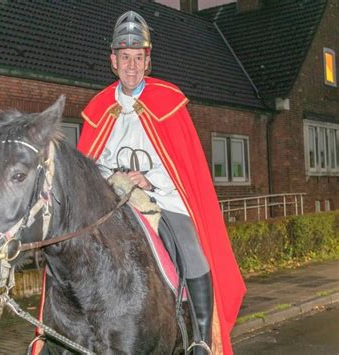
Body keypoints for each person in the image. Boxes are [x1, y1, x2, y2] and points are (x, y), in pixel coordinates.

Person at [77, 11, 246, 355]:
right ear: (113, 60)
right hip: (115, 201)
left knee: (193, 252)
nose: (132, 66)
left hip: (165, 199)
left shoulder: (169, 100)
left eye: (138, 58)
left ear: (147, 60)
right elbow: (89, 166)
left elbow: (184, 167)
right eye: (125, 58)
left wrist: (149, 180)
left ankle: (200, 339)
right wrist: (113, 177)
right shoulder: (98, 109)